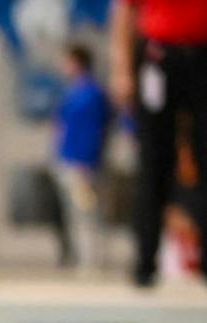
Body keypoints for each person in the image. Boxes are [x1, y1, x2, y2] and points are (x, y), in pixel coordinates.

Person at [110, 0, 207, 286]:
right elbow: (124, 12)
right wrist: (122, 69)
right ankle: (145, 261)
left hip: (202, 57)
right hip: (159, 54)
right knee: (154, 161)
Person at [51, 42, 112, 270]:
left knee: (86, 211)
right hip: (67, 159)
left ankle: (92, 260)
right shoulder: (71, 91)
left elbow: (93, 130)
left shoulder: (91, 94)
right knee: (73, 214)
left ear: (77, 62)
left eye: (66, 61)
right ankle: (80, 257)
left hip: (82, 162)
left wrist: (86, 159)